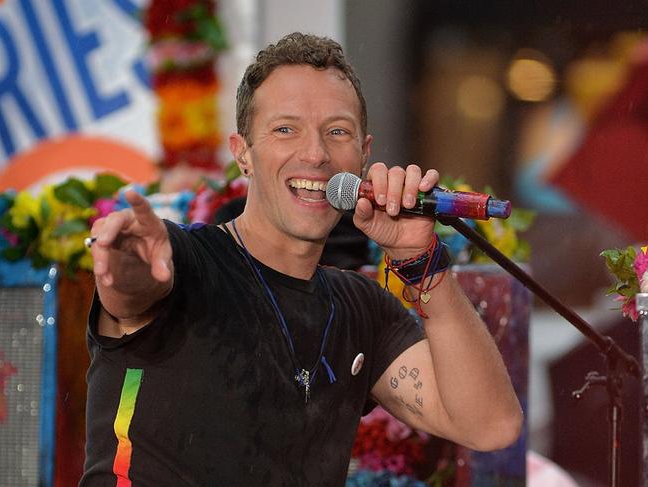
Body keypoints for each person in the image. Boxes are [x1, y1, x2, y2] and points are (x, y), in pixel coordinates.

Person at [80, 32, 522, 486]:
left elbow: (491, 425)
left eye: (337, 132)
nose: (315, 154)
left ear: (363, 155)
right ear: (243, 154)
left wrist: (421, 261)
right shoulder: (185, 259)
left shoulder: (361, 309)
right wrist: (126, 261)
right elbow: (132, 289)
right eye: (285, 129)